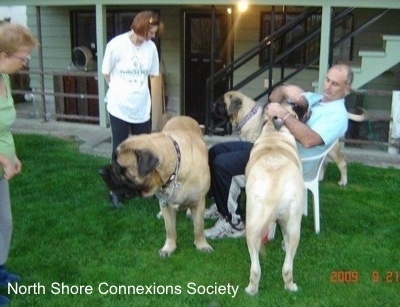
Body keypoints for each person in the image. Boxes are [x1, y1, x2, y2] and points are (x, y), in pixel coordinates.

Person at [204, 64, 353, 239]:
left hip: (285, 163)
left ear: (347, 89)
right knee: (216, 151)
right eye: (327, 80)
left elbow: (309, 139)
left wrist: (284, 114)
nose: (327, 86)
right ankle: (223, 205)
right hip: (271, 148)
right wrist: (284, 90)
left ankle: (233, 223)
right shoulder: (316, 98)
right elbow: (272, 98)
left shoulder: (337, 115)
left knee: (223, 166)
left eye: (335, 84)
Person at [101, 11, 164, 207]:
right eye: (150, 32)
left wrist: (156, 110)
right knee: (119, 149)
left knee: (143, 149)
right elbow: (106, 73)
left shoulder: (151, 48)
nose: (152, 36)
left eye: (154, 33)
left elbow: (154, 76)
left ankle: (140, 185)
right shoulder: (116, 45)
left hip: (141, 107)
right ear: (141, 28)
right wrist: (120, 90)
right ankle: (116, 190)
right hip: (119, 106)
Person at [0, 22, 39, 305]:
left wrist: (13, 157)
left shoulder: (4, 78)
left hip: (2, 164)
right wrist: (3, 158)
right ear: (3, 54)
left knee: (4, 222)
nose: (25, 64)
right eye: (22, 58)